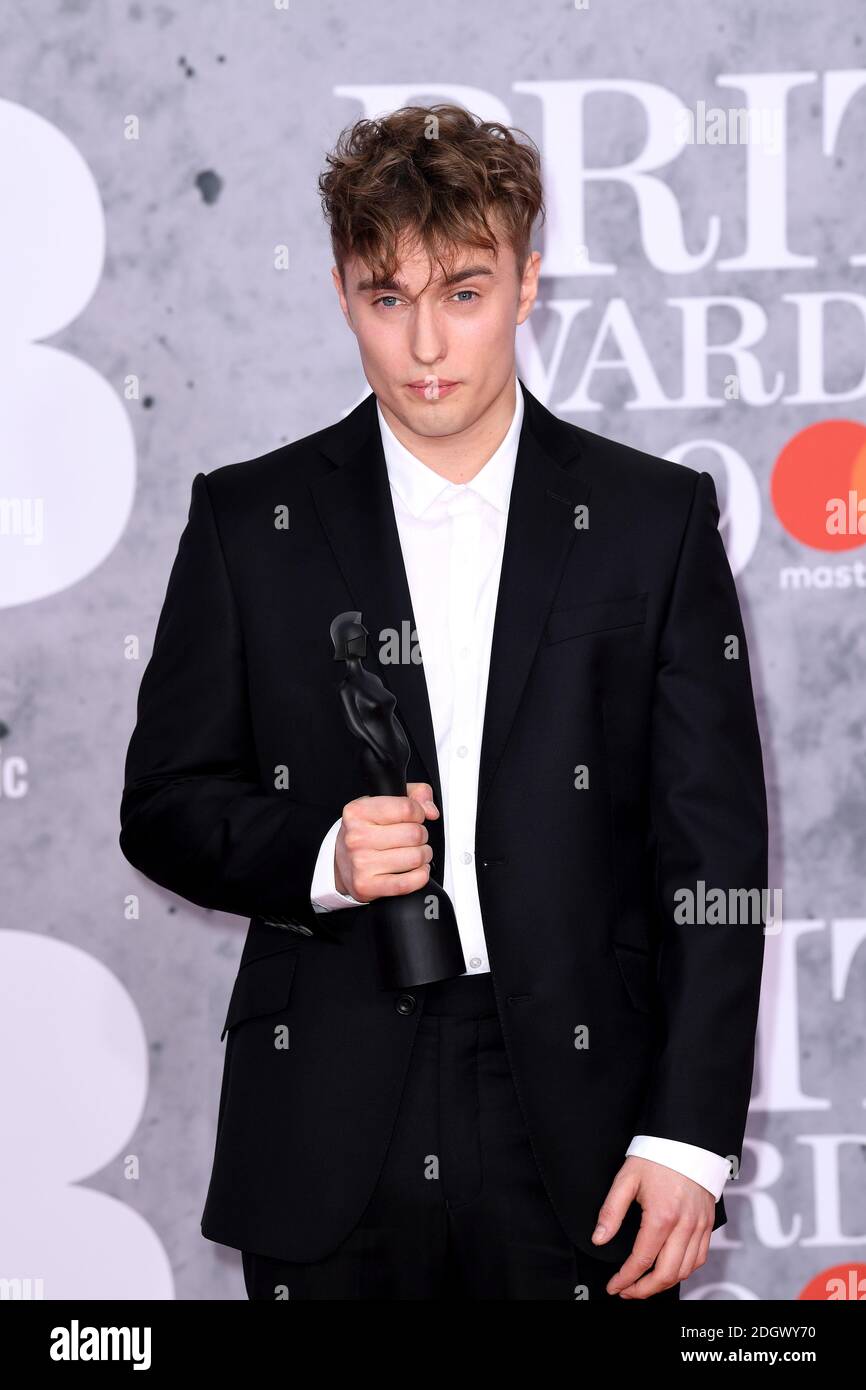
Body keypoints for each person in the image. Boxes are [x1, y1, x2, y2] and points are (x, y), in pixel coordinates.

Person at [119, 103, 768, 1301]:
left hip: (581, 1113)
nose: (424, 344)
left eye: (462, 293)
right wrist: (314, 850)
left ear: (526, 286)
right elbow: (160, 803)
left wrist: (686, 1136)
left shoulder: (650, 521)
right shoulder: (247, 520)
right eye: (385, 297)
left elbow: (713, 853)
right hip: (328, 1108)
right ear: (339, 292)